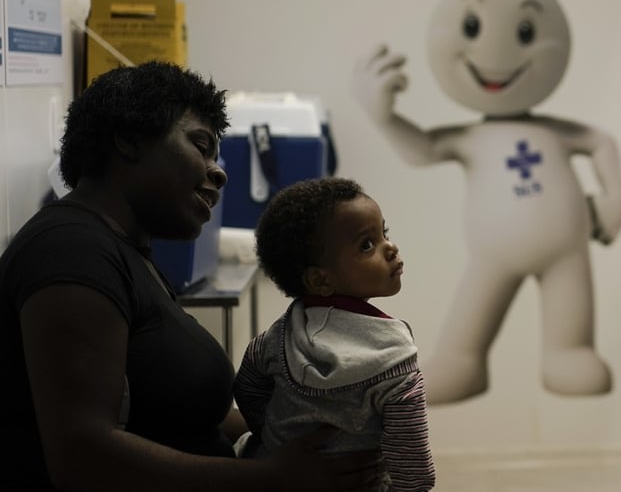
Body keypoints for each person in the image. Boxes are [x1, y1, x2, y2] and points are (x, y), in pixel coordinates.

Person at [0, 61, 383, 491]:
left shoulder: (124, 252)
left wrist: (307, 437)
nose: (219, 172)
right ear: (128, 138)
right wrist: (269, 477)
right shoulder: (69, 250)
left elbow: (182, 415)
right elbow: (84, 457)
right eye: (200, 146)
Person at [234, 177, 435, 492]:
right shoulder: (395, 363)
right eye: (367, 245)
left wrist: (272, 436)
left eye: (384, 233)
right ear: (320, 280)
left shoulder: (277, 339)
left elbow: (246, 386)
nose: (390, 247)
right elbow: (414, 471)